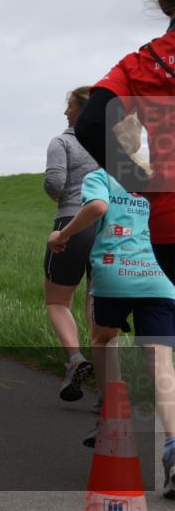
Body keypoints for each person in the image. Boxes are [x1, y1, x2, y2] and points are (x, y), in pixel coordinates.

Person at [74, 0, 175, 496]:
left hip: (165, 223)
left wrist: (141, 172)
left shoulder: (140, 64)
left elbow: (92, 122)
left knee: (163, 345)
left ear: (163, 4)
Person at [48, 167, 175, 496]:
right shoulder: (159, 174)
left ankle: (112, 422)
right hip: (159, 276)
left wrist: (62, 236)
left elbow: (97, 208)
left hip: (114, 274)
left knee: (104, 338)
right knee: (161, 361)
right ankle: (174, 451)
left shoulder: (100, 176)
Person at [43, 87, 99, 402]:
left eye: (69, 106)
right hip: (109, 230)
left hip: (71, 225)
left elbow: (54, 182)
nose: (65, 112)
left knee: (57, 302)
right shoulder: (114, 143)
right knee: (99, 311)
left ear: (81, 110)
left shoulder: (63, 142)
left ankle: (76, 359)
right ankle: (110, 388)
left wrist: (60, 199)